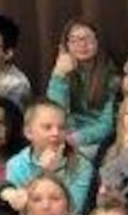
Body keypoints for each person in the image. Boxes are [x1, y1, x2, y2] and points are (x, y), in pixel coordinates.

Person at [0, 101, 95, 215]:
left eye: (61, 128)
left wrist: (50, 174)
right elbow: (23, 206)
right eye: (47, 127)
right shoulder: (16, 165)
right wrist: (44, 172)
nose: (56, 133)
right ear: (28, 132)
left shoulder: (82, 165)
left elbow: (73, 209)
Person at [45, 17, 117, 156]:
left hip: (96, 139)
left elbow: (107, 125)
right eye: (74, 40)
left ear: (98, 43)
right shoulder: (62, 73)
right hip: (64, 132)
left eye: (87, 39)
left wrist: (76, 138)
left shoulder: (112, 78)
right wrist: (59, 75)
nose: (81, 45)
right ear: (66, 46)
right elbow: (55, 111)